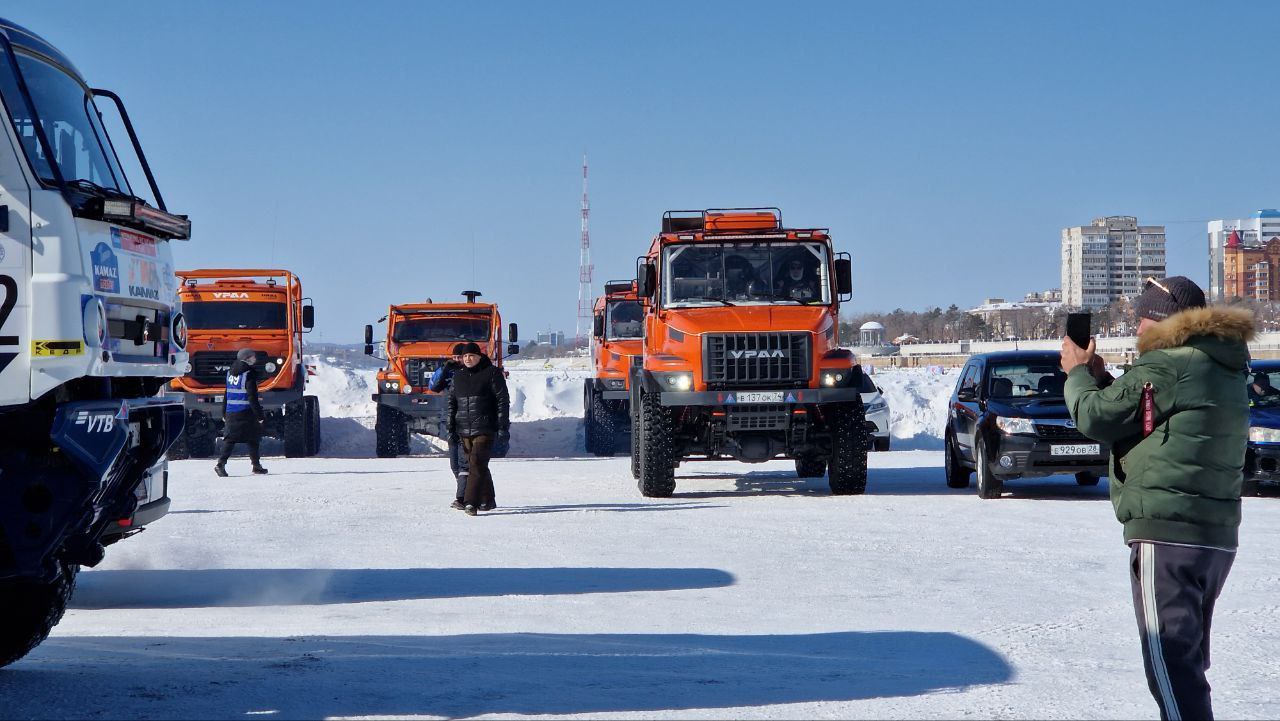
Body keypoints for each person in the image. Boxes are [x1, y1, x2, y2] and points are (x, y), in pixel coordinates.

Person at [1060, 276, 1254, 720]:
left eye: (1142, 317)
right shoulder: (1221, 362)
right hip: (1214, 535)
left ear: (1163, 320)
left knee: (1168, 664)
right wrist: (1102, 378)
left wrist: (1075, 373)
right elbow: (1147, 416)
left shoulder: (1170, 364)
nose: (1137, 328)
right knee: (1185, 664)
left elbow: (1096, 416)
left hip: (1167, 535)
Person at [446, 342, 510, 516]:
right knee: (480, 465)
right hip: (464, 429)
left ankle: (470, 502)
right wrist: (450, 427)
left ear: (479, 357)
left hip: (485, 427)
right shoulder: (458, 376)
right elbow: (452, 404)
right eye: (465, 356)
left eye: (471, 356)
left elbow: (503, 401)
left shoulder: (491, 373)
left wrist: (503, 426)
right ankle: (488, 500)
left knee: (475, 463)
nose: (468, 359)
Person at [214, 347, 268, 477]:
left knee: (238, 438)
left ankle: (255, 465)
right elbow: (252, 397)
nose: (255, 358)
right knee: (250, 438)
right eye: (253, 356)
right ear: (247, 358)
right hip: (245, 412)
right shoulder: (248, 374)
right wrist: (260, 416)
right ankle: (221, 465)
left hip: (232, 411)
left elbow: (226, 394)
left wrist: (224, 413)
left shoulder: (230, 373)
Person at [429, 343, 470, 510]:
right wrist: (444, 370)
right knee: (454, 464)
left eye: (459, 357)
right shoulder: (447, 372)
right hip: (449, 421)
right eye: (454, 357)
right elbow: (433, 386)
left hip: (466, 421)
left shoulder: (470, 372)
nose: (457, 360)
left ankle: (463, 497)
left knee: (463, 463)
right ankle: (466, 492)